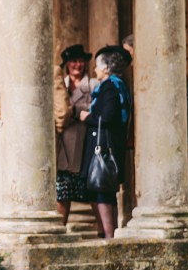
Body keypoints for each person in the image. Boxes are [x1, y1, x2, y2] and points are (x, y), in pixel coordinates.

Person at [79, 46, 132, 238]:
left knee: (103, 189)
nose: (95, 69)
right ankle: (103, 232)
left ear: (107, 67)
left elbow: (108, 117)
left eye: (98, 66)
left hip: (103, 147)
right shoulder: (115, 85)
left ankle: (109, 235)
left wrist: (87, 117)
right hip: (105, 144)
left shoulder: (110, 86)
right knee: (97, 189)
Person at [54, 44, 96, 226]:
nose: (77, 65)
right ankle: (60, 228)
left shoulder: (93, 84)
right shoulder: (60, 84)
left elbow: (97, 109)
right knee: (62, 190)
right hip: (62, 141)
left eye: (80, 61)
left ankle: (103, 231)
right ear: (67, 64)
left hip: (84, 139)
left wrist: (72, 111)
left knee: (92, 187)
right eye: (73, 61)